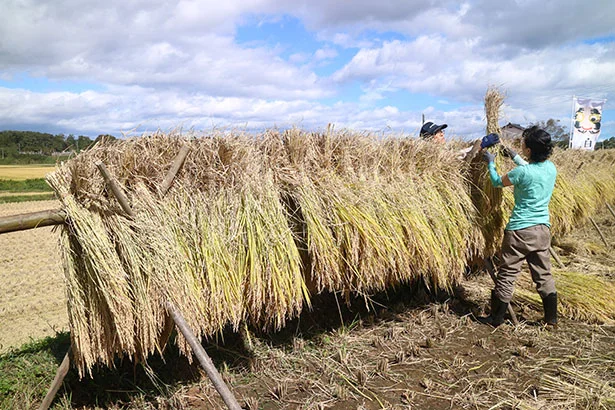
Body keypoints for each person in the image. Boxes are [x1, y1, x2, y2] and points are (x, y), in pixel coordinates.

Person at [481, 126, 558, 327]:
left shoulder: (520, 173)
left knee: (507, 273)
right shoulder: (550, 168)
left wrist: (490, 163)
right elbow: (532, 171)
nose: (521, 145)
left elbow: (497, 182)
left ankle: (495, 319)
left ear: (530, 150)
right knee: (543, 274)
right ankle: (551, 319)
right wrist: (515, 156)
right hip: (542, 230)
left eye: (523, 143)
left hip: (520, 231)